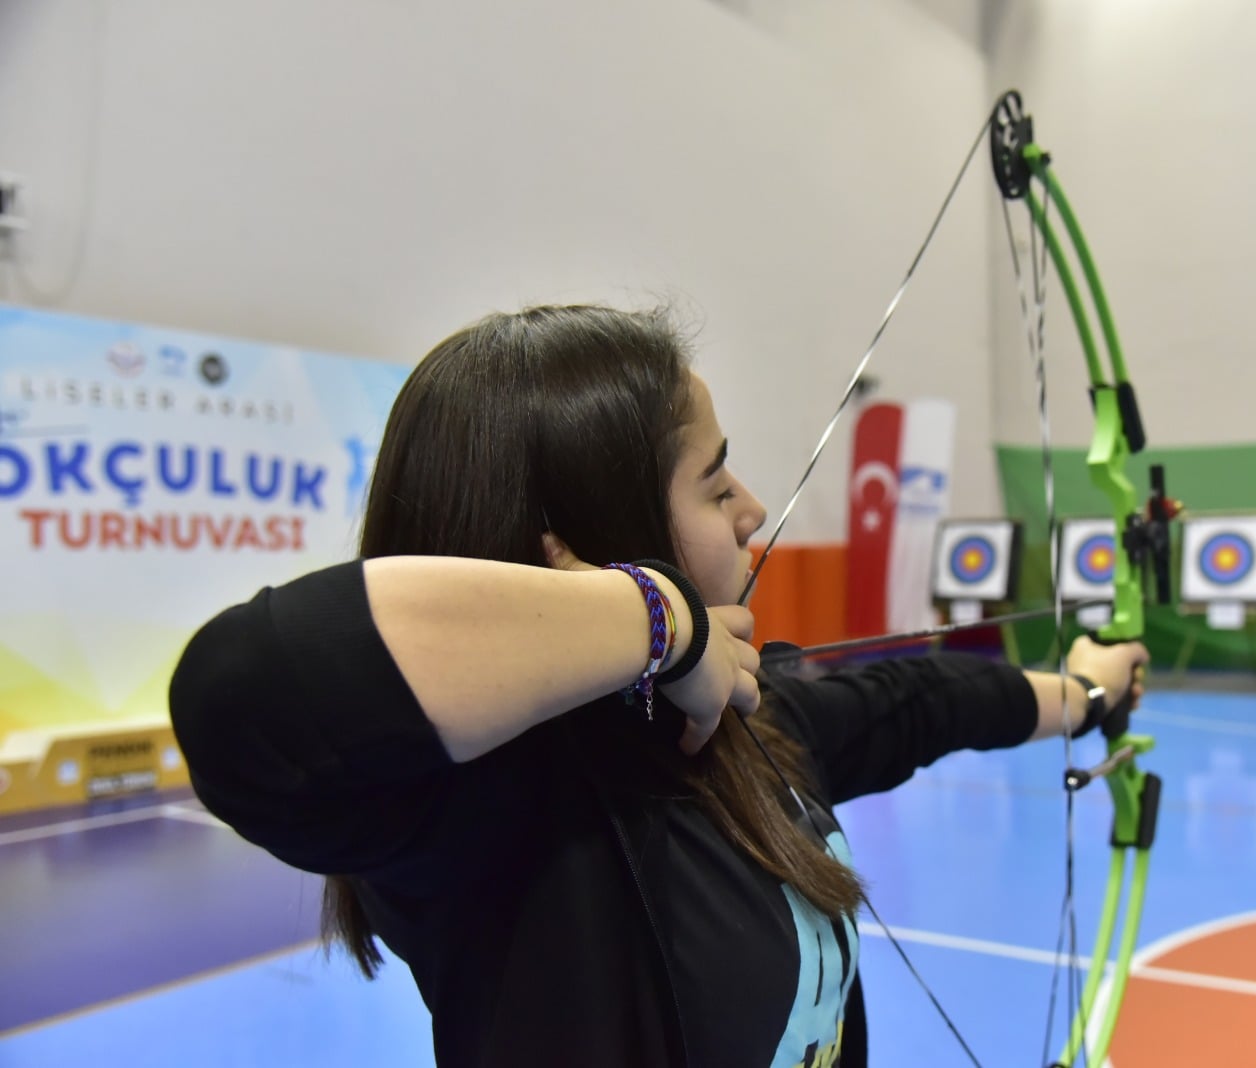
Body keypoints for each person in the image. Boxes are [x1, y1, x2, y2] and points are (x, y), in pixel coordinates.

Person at [167, 303, 1148, 1068]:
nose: (754, 508)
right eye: (716, 485)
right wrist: (659, 618)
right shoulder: (484, 815)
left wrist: (1087, 691)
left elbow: (919, 701)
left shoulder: (746, 724)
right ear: (584, 551)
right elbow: (239, 695)